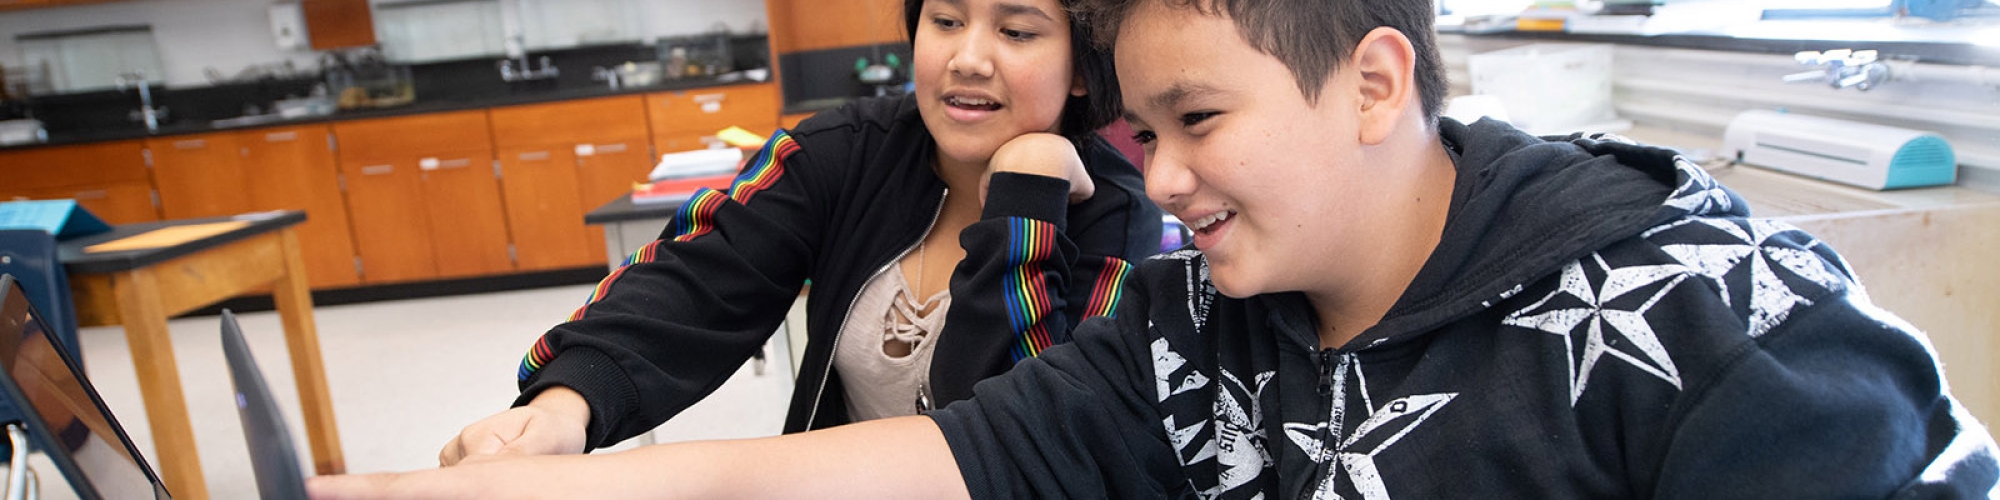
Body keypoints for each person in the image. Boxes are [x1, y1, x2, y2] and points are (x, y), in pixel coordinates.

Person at [316, 0, 2000, 497]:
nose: (1166, 176)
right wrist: (516, 477)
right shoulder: (1207, 317)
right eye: (1148, 132)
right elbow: (921, 458)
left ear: (1375, 81)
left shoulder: (1724, 326)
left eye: (1197, 122)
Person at [438, 0, 1162, 465]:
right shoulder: (845, 150)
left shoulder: (1113, 213)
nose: (967, 57)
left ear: (1079, 69)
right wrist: (568, 403)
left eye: (1016, 30)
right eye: (945, 20)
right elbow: (701, 278)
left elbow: (1027, 435)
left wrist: (1026, 198)